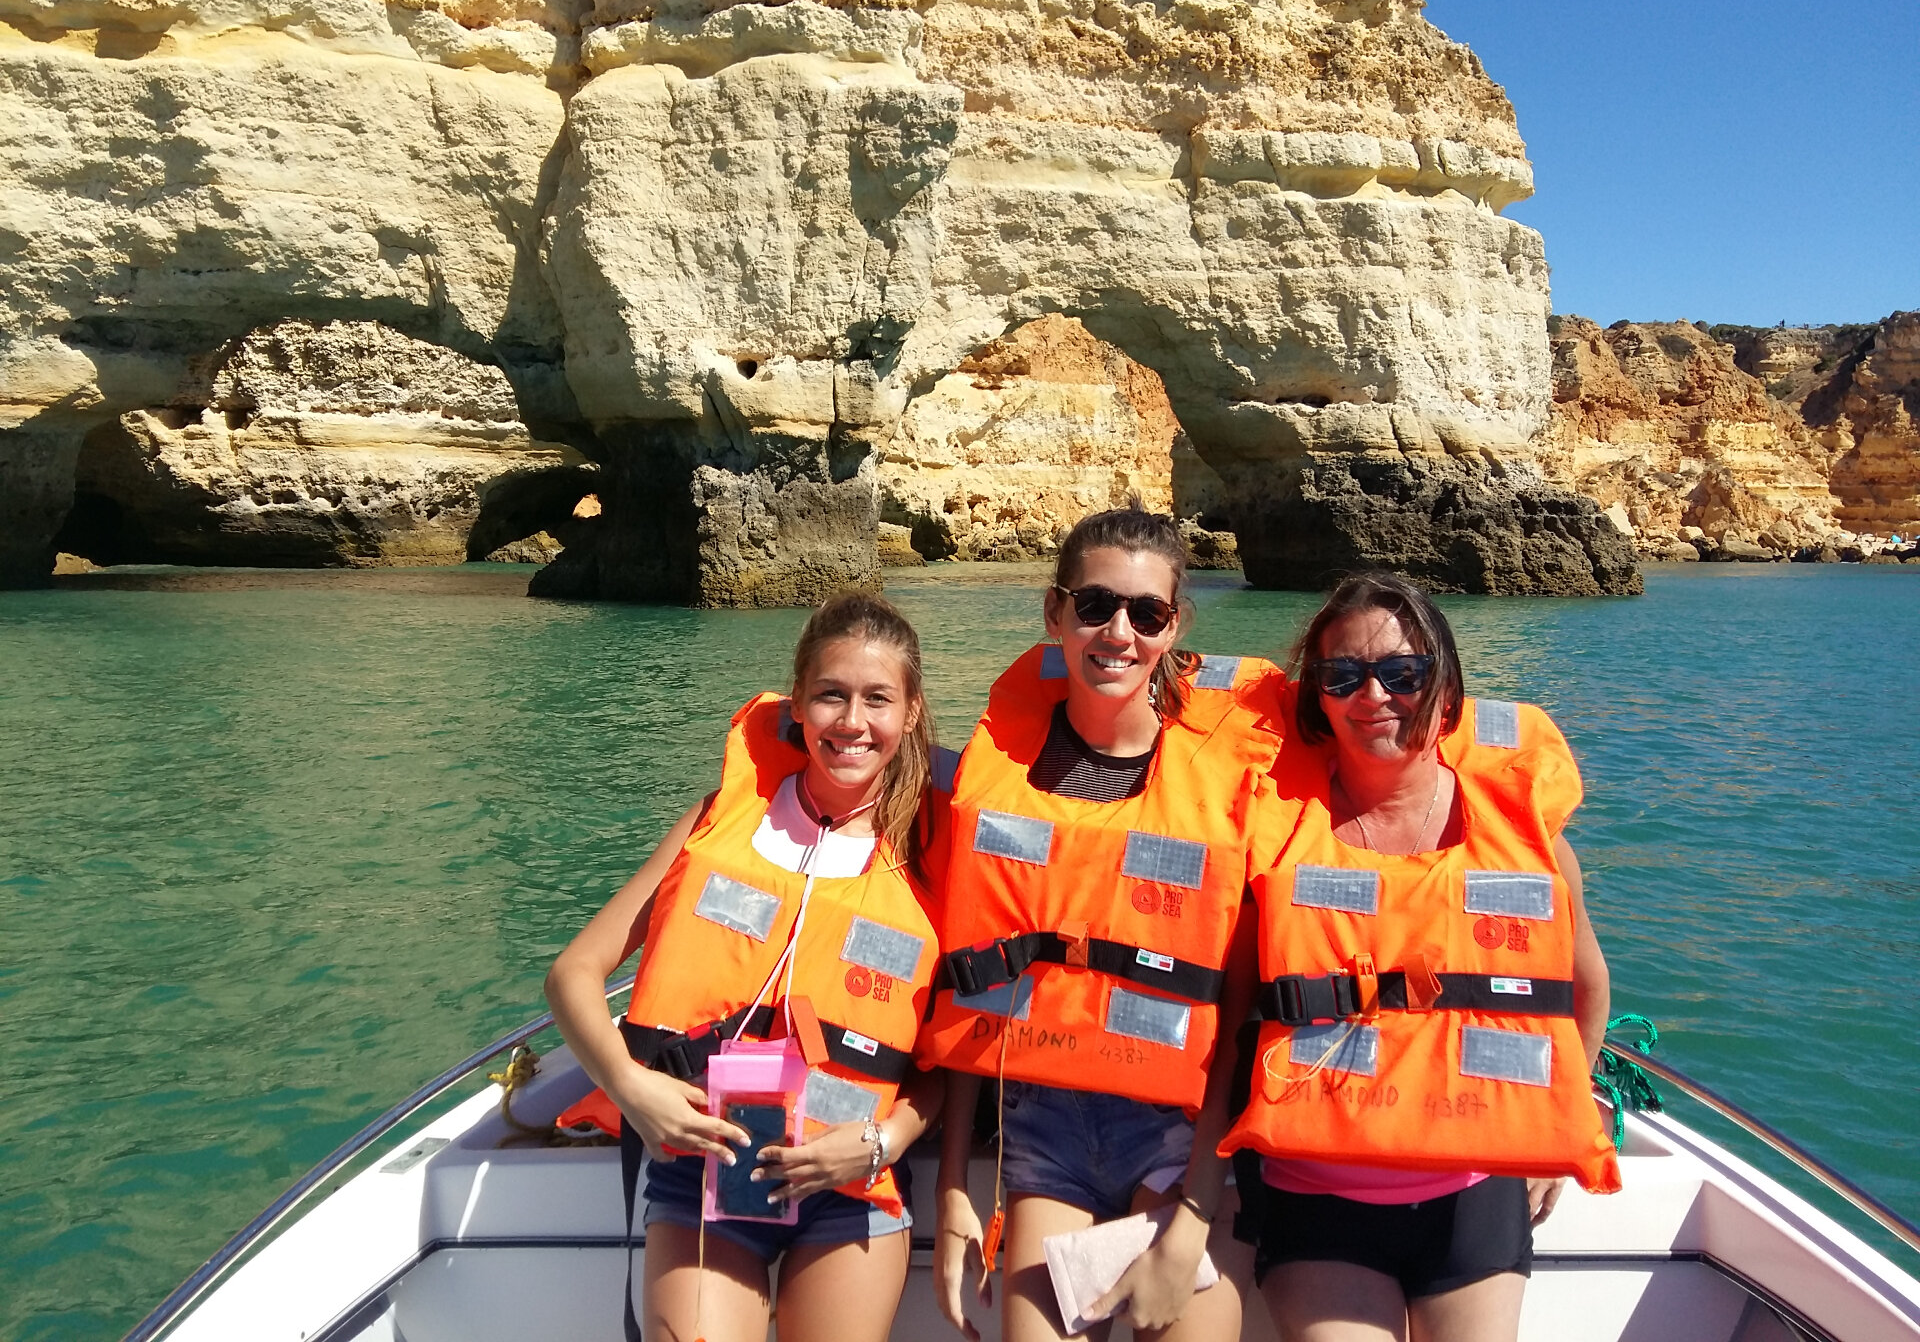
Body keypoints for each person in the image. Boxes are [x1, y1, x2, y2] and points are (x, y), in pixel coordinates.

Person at [1220, 571, 1618, 1342]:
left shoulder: (1527, 841)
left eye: (1402, 673)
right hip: (1315, 1195)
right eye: (1343, 675)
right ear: (1318, 696)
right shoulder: (1270, 834)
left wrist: (1551, 1138)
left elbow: (1585, 990)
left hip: (1474, 1194)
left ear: (1445, 690)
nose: (1374, 695)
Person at [923, 505, 1288, 1342]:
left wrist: (1194, 1213)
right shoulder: (1001, 770)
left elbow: (1234, 1010)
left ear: (1174, 626)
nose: (1118, 633)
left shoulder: (1225, 787)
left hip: (1181, 1135)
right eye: (1095, 606)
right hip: (1043, 1126)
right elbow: (977, 984)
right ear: (1055, 612)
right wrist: (953, 1190)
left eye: (1146, 613)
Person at [545, 592, 947, 1342]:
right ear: (797, 703)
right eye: (830, 695)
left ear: (911, 711)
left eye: (877, 699)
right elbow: (573, 973)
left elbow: (950, 1058)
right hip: (704, 1165)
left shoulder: (935, 852)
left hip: (849, 1179)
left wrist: (882, 1143)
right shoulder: (717, 821)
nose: (852, 721)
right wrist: (632, 1087)